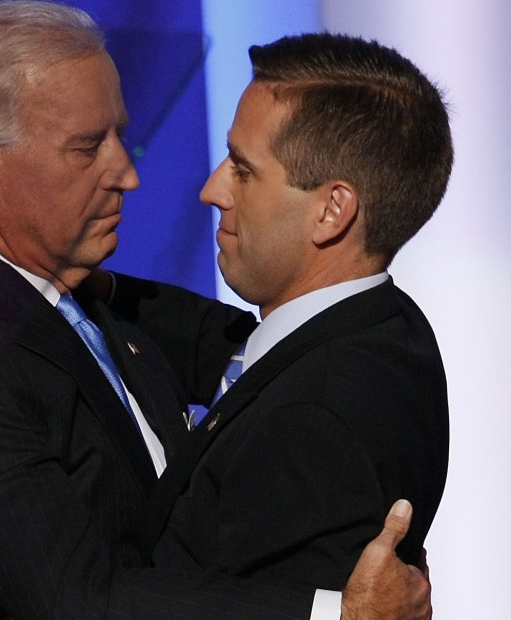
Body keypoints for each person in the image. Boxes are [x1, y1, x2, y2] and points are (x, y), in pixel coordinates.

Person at [0, 3, 432, 619]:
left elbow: (271, 342)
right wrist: (337, 614)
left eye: (119, 135)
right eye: (86, 147)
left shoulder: (81, 295)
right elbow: (77, 601)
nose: (126, 173)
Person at [102, 31, 451, 615]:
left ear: (331, 210)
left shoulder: (312, 421)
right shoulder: (387, 325)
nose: (213, 189)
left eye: (243, 169)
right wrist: (89, 283)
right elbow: (221, 341)